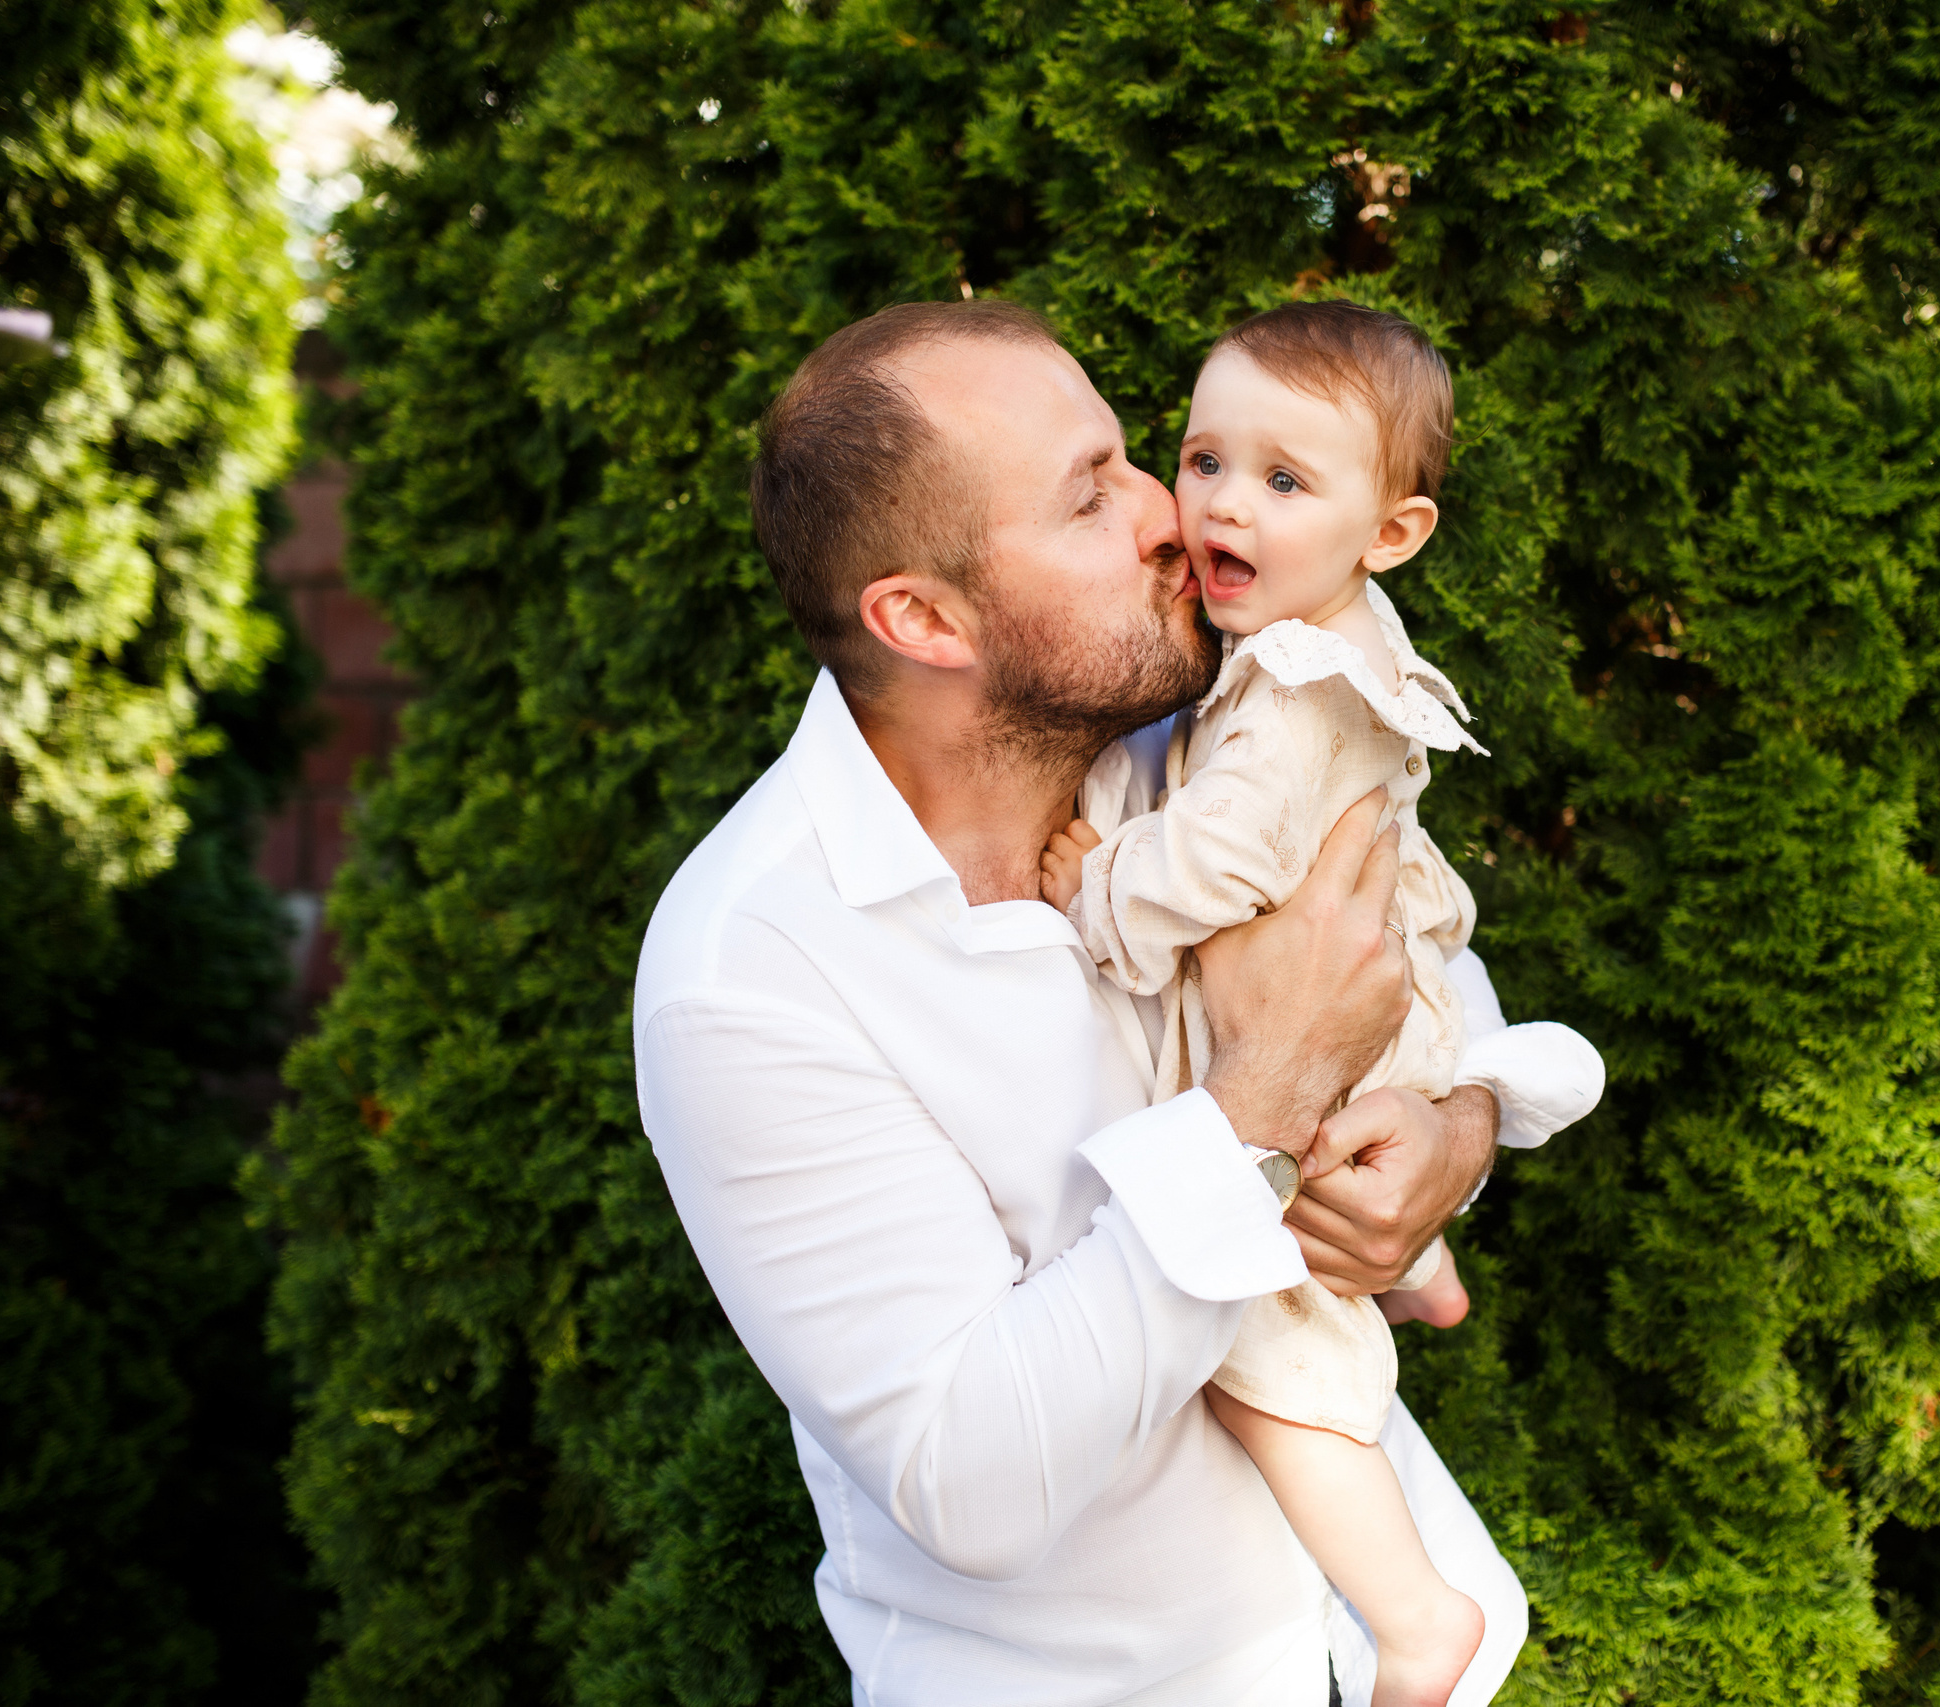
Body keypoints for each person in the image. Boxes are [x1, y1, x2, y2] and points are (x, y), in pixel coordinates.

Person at [633, 298, 1604, 1707]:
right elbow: (971, 1477)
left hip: (1351, 1647)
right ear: (921, 618)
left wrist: (1452, 1136)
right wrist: (1256, 1104)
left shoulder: (1186, 738)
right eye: (1092, 495)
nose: (1170, 511)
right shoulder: (755, 973)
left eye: (1131, 455)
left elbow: (1407, 957)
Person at [1037, 302, 1598, 1707]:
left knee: (1253, 1345)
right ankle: (1418, 1269)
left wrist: (1097, 887)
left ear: (1391, 532)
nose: (1224, 503)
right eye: (1206, 458)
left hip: (1336, 1058)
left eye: (1285, 482)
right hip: (1374, 1021)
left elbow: (1222, 859)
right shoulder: (1331, 631)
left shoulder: (1287, 685)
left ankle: (1416, 1621)